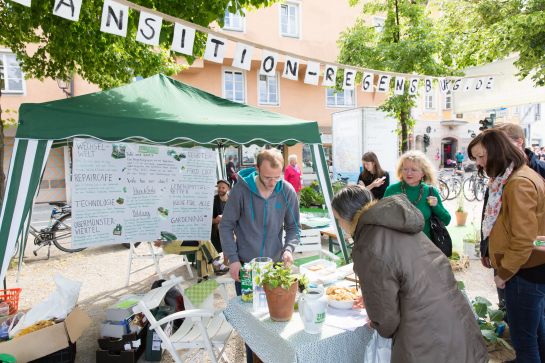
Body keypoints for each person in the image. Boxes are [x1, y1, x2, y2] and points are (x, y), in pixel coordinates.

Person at [331, 186, 488, 363]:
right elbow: (409, 276)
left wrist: (375, 314)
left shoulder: (368, 243)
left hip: (425, 339)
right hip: (457, 323)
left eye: (338, 220)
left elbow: (386, 321)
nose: (340, 225)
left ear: (346, 217)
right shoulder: (395, 223)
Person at [468, 129, 545, 363]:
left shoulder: (517, 182)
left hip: (525, 271)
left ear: (497, 152)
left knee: (524, 341)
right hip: (531, 268)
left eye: (481, 157)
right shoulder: (515, 176)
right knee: (536, 332)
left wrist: (504, 273)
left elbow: (523, 240)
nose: (479, 164)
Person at [219, 148, 300, 363]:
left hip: (274, 268)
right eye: (267, 177)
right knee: (252, 329)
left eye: (277, 176)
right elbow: (226, 226)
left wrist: (289, 249)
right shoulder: (240, 191)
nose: (273, 182)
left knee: (275, 324)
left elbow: (293, 227)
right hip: (246, 268)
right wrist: (233, 259)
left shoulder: (287, 191)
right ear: (256, 169)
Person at [384, 150, 451, 241]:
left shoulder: (430, 191)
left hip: (424, 247)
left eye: (414, 169)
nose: (408, 173)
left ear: (423, 173)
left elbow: (447, 220)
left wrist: (436, 207)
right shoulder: (392, 190)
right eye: (405, 169)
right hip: (397, 247)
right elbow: (382, 218)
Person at [211, 179, 230, 264]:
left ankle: (226, 261)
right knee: (223, 230)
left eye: (223, 188)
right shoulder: (213, 200)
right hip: (217, 227)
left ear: (228, 189)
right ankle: (223, 261)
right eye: (219, 187)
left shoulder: (232, 199)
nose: (220, 189)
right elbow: (207, 219)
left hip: (232, 225)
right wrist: (216, 220)